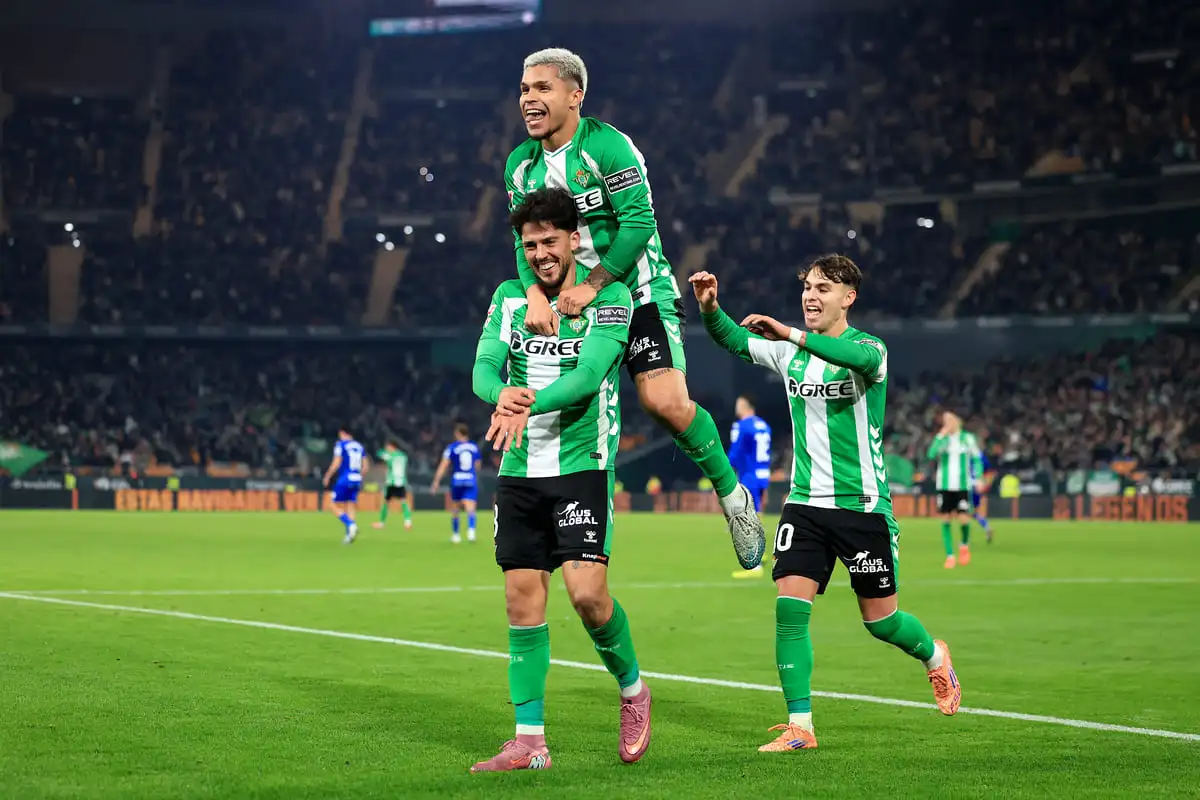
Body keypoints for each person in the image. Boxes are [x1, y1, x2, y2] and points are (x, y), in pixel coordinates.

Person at [503, 46, 764, 570]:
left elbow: (640, 223)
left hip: (637, 292)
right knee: (561, 404)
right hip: (567, 304)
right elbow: (521, 239)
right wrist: (534, 291)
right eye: (525, 90)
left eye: (542, 89)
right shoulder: (520, 166)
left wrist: (595, 284)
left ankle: (733, 497)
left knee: (664, 402)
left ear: (575, 96)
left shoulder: (608, 147)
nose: (529, 100)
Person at [690, 256, 961, 752]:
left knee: (881, 621)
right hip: (805, 504)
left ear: (848, 298)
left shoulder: (870, 349)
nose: (811, 296)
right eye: (807, 287)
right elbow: (733, 339)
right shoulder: (789, 355)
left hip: (862, 507)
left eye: (823, 289)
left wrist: (789, 333)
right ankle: (801, 727)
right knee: (790, 611)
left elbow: (853, 361)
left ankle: (934, 656)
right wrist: (711, 308)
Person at [468, 187, 651, 772]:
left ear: (575, 238)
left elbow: (590, 376)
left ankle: (632, 690)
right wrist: (501, 394)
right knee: (523, 604)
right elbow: (483, 369)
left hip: (581, 466)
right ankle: (529, 743)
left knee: (588, 597)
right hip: (519, 470)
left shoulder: (612, 296)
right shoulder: (508, 297)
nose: (542, 253)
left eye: (551, 241)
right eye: (531, 244)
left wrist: (528, 403)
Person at [927, 411, 985, 568]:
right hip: (944, 485)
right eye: (945, 420)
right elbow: (931, 455)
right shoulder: (942, 439)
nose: (947, 423)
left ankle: (964, 546)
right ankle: (950, 556)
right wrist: (939, 436)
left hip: (962, 485)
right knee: (945, 519)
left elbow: (977, 459)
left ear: (957, 421)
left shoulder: (967, 438)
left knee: (964, 519)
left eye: (950, 420)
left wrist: (979, 477)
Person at [728, 394, 773, 579]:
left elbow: (735, 453)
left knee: (747, 515)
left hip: (749, 475)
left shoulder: (742, 426)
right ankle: (761, 553)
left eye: (738, 404)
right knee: (757, 512)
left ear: (746, 406)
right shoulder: (764, 425)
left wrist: (725, 475)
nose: (736, 408)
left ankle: (755, 564)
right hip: (763, 473)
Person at [430, 424, 481, 544]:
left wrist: (436, 481)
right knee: (470, 506)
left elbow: (444, 464)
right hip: (470, 478)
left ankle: (456, 535)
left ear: (457, 433)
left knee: (455, 508)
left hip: (457, 479)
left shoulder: (452, 447)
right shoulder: (474, 447)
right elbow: (478, 465)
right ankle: (471, 532)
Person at [322, 427, 367, 544]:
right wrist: (359, 476)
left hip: (345, 478)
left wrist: (328, 475)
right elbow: (365, 466)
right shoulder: (359, 446)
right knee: (350, 505)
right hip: (357, 478)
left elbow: (337, 462)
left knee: (331, 504)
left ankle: (351, 525)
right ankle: (349, 536)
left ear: (343, 433)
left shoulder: (340, 445)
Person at [373, 440, 413, 530]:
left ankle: (382, 523)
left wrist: (384, 452)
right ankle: (408, 522)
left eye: (388, 447)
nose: (387, 449)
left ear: (392, 447)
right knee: (403, 501)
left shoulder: (390, 455)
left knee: (386, 503)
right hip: (401, 481)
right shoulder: (403, 456)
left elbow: (379, 453)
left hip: (391, 482)